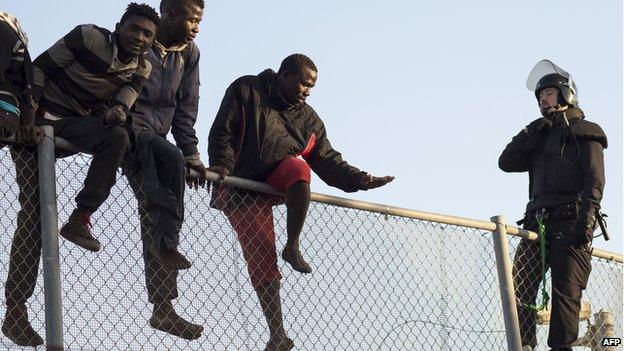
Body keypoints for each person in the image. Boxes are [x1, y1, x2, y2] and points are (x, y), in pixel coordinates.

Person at [208, 53, 394, 351]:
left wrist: (361, 180)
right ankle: (277, 334)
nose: (306, 91)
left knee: (299, 168)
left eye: (311, 87)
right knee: (261, 248)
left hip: (275, 181)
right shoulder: (247, 90)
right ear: (284, 75)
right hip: (240, 185)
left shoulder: (308, 119)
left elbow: (328, 161)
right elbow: (223, 132)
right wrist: (221, 167)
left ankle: (292, 245)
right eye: (303, 83)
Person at [1, 4, 159, 347]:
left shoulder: (142, 67)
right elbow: (38, 69)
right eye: (134, 29)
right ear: (119, 27)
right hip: (38, 125)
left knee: (117, 136)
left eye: (147, 34)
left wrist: (117, 109)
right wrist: (29, 122)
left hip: (73, 129)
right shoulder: (88, 37)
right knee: (36, 214)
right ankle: (15, 312)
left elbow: (123, 102)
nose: (139, 38)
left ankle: (81, 216)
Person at [498, 59, 607, 351]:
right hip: (537, 223)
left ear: (565, 93)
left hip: (572, 222)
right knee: (519, 288)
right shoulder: (539, 135)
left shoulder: (587, 132)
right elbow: (505, 162)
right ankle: (524, 346)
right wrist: (530, 130)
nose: (542, 100)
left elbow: (595, 180)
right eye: (539, 96)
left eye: (547, 93)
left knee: (565, 295)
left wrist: (586, 222)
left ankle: (561, 349)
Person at [123, 0, 205, 340]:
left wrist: (192, 154)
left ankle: (163, 308)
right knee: (164, 175)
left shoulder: (190, 54)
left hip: (158, 139)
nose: (198, 26)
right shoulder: (140, 38)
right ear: (170, 15)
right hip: (126, 128)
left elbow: (186, 107)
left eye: (201, 19)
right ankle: (163, 300)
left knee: (156, 211)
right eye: (193, 19)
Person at [0, 11, 44, 347]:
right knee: (36, 210)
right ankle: (15, 309)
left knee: (37, 210)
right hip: (17, 121)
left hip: (18, 123)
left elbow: (27, 88)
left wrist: (29, 119)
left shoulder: (8, 29)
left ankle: (15, 309)